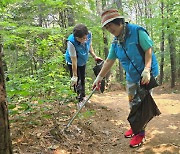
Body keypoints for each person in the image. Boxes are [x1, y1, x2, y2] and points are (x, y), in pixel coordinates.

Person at [93, 9, 159, 148]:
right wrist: (99, 77)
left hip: (146, 75)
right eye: (106, 27)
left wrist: (147, 69)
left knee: (142, 104)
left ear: (118, 22)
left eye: (110, 25)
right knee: (132, 103)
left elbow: (148, 49)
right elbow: (109, 61)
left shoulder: (137, 31)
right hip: (131, 76)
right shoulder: (116, 42)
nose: (109, 29)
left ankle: (140, 133)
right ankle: (136, 126)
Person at [65, 24, 102, 106]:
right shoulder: (71, 42)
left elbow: (89, 45)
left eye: (85, 38)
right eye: (82, 39)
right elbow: (74, 60)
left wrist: (94, 56)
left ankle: (83, 96)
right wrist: (74, 76)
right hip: (73, 63)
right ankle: (79, 100)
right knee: (77, 81)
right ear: (76, 37)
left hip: (82, 61)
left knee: (82, 78)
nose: (84, 40)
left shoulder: (89, 34)